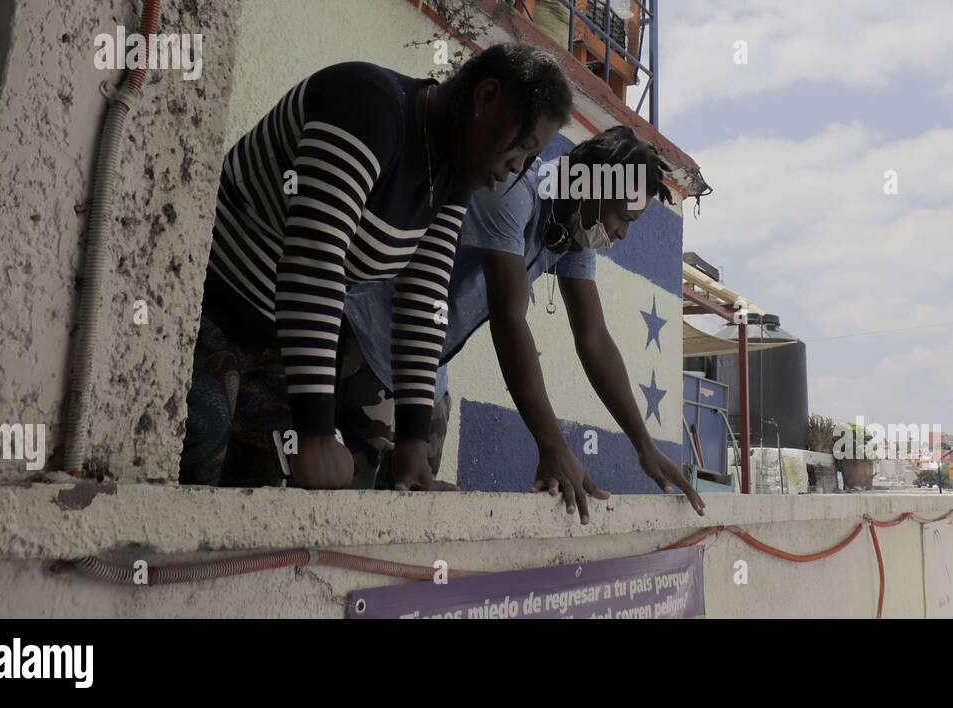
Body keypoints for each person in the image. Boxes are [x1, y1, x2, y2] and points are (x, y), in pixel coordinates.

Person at [178, 43, 573, 490]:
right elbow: (314, 257)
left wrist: (412, 445)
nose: (517, 168)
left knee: (261, 497)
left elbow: (424, 299)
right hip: (203, 313)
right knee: (191, 465)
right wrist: (316, 433)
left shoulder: (451, 175)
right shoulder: (367, 105)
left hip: (276, 346)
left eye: (531, 159)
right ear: (485, 98)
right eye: (522, 147)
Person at [343, 126, 706, 521]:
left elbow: (594, 337)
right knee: (346, 513)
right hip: (371, 350)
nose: (622, 233)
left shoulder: (569, 232)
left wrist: (643, 444)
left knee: (409, 519)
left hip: (429, 376)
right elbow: (508, 316)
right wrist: (551, 444)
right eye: (623, 217)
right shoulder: (513, 194)